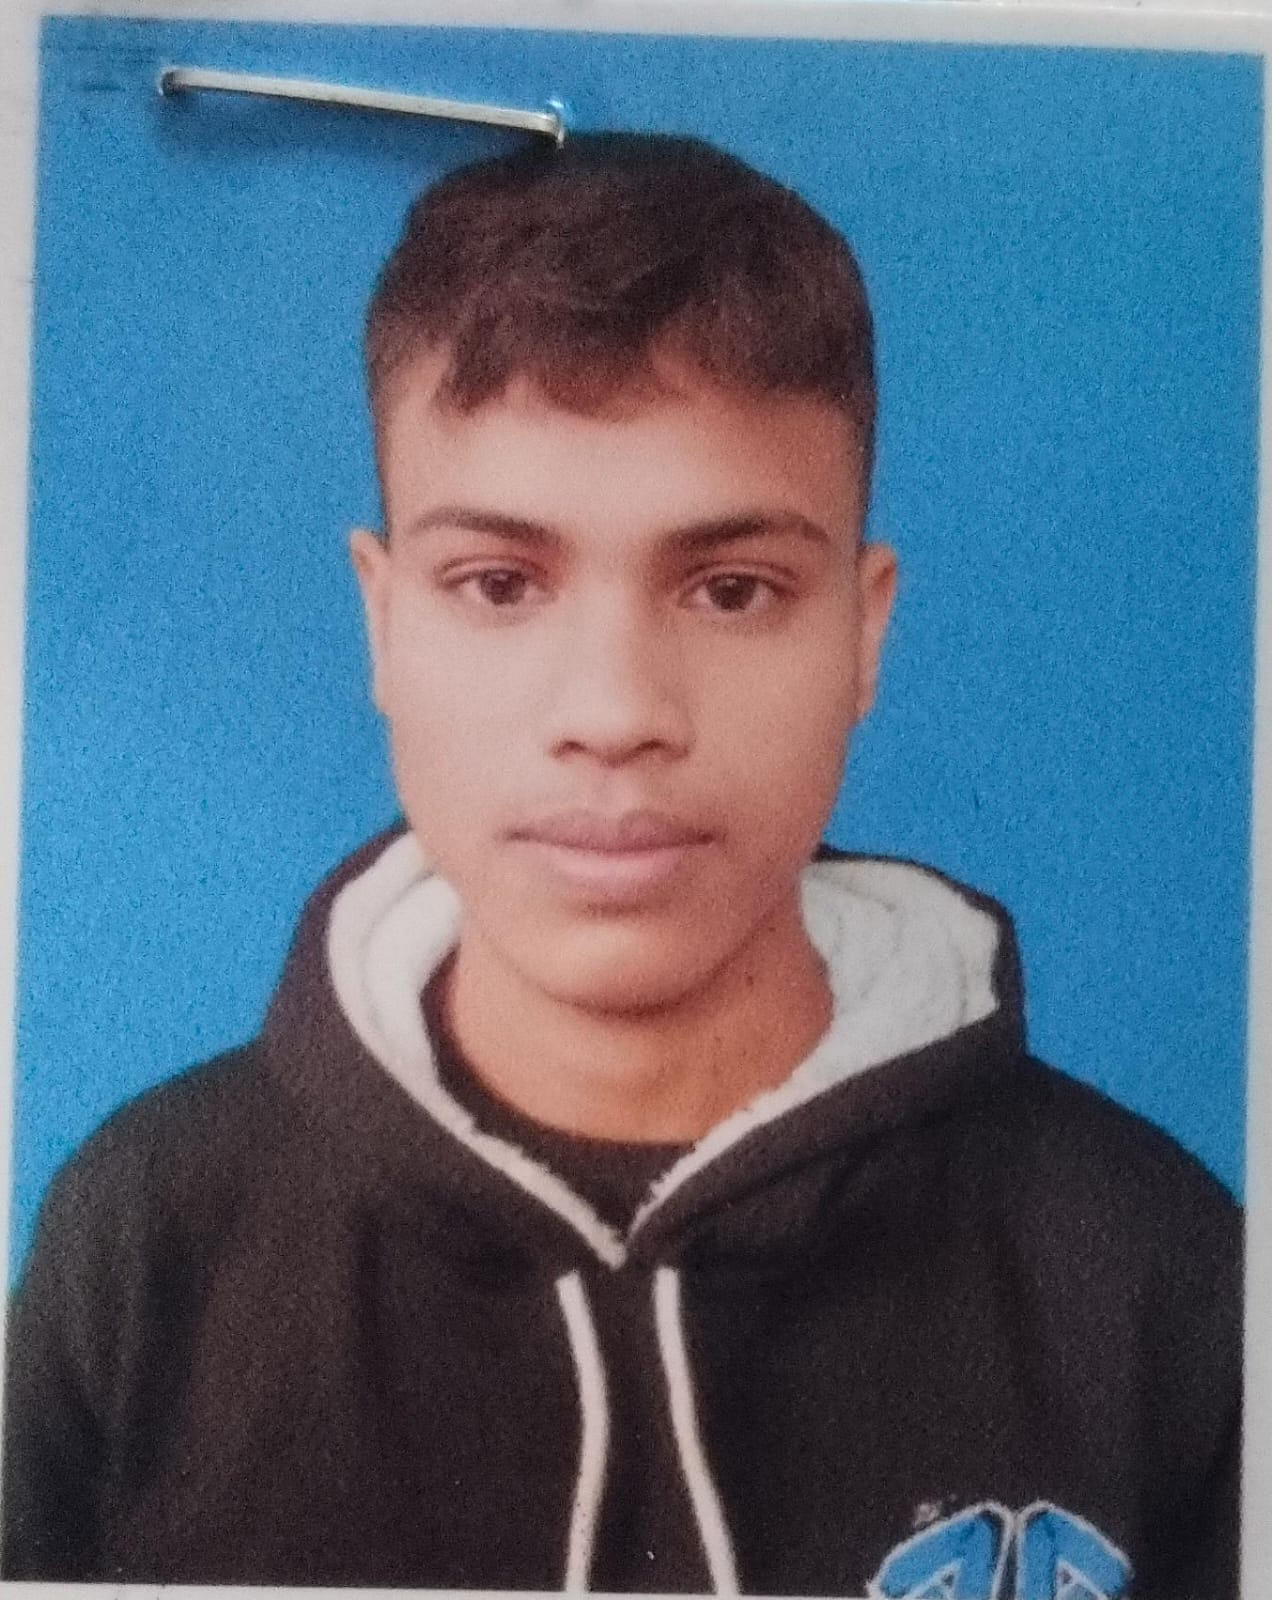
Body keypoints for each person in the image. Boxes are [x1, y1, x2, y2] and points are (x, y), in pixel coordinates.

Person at [2, 133, 1240, 1598]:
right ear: (383, 624)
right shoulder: (146, 1244)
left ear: (864, 632)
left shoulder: (1158, 1270)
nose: (615, 711)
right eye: (499, 583)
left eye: (732, 590)